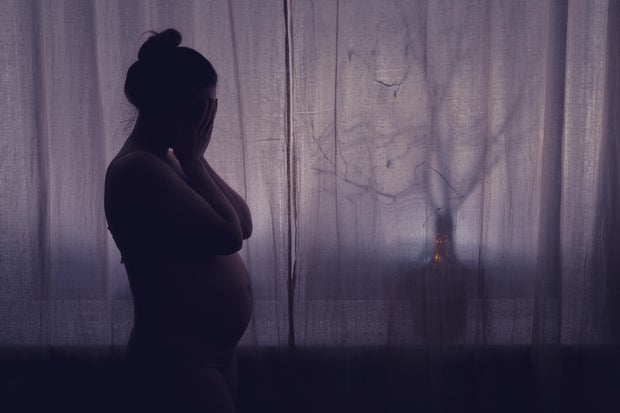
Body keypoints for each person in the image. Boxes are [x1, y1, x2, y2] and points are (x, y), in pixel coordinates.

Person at [104, 29, 253, 412]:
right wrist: (191, 158)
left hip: (211, 355)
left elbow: (244, 221)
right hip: (180, 360)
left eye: (209, 110)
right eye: (197, 109)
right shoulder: (138, 169)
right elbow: (228, 236)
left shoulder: (169, 161)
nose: (204, 121)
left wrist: (195, 159)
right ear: (160, 101)